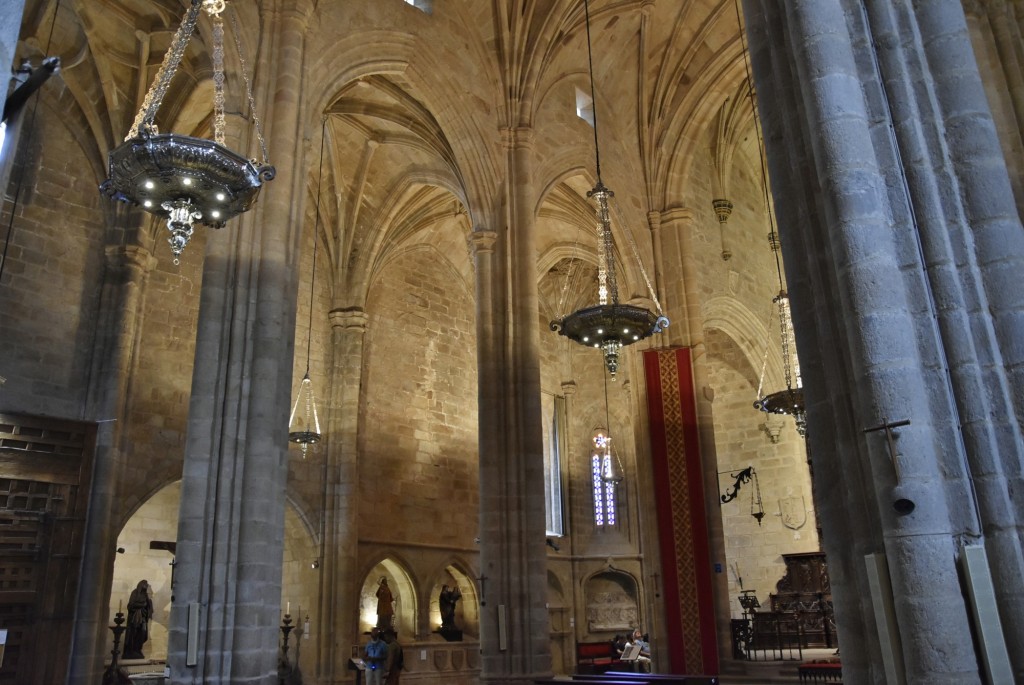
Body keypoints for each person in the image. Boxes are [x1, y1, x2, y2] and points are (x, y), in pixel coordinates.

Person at [123, 580, 153, 659]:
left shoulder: (145, 595)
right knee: (133, 634)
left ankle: (137, 649)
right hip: (135, 619)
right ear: (141, 584)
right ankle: (131, 651)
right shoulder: (135, 593)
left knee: (142, 634)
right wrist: (142, 605)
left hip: (142, 618)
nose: (147, 586)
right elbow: (130, 605)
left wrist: (148, 603)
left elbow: (148, 607)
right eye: (145, 584)